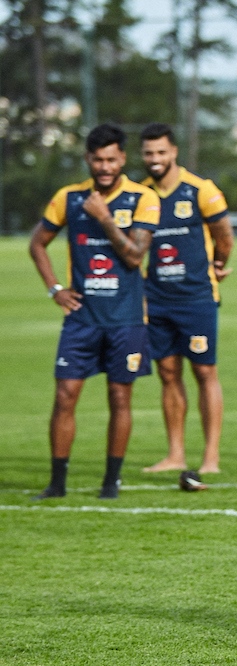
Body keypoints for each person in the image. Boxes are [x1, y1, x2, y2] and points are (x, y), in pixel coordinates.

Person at [29, 122, 161, 500]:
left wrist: (104, 217)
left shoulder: (142, 198)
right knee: (65, 396)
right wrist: (55, 288)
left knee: (120, 398)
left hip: (126, 319)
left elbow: (135, 257)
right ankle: (56, 484)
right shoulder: (68, 198)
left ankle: (110, 482)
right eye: (97, 159)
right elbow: (38, 243)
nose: (104, 167)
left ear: (122, 159)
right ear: (88, 158)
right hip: (82, 319)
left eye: (111, 159)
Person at [139, 122, 234, 477]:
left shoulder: (201, 190)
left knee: (204, 371)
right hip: (156, 298)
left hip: (196, 297)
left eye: (161, 152)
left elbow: (224, 237)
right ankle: (175, 453)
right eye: (149, 153)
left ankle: (210, 457)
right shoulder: (140, 194)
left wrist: (219, 265)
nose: (155, 159)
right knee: (167, 373)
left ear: (174, 152)